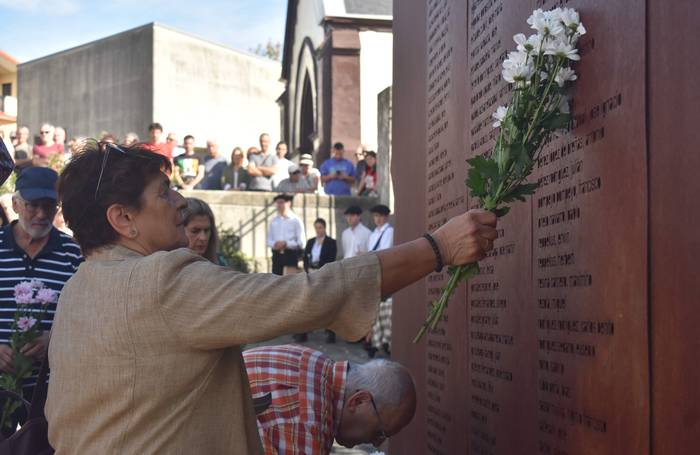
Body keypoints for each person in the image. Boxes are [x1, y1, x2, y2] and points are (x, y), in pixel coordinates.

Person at [46, 139, 497, 454]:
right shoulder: (162, 282)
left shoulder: (75, 291)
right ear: (124, 218)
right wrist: (437, 249)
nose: (181, 201)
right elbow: (308, 295)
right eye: (164, 193)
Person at [0, 167, 82, 432]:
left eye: (50, 206)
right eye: (33, 205)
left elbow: (89, 314)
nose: (41, 215)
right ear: (15, 204)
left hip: (50, 387)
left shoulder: (73, 253)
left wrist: (55, 340)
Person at [244, 345, 416, 454]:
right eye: (380, 433)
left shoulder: (316, 361)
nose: (377, 443)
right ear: (358, 401)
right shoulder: (310, 423)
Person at [303, 218, 338, 343]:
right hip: (311, 275)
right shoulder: (311, 241)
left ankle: (330, 332)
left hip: (324, 276)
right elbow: (305, 258)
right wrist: (308, 269)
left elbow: (331, 260)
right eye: (316, 228)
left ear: (325, 228)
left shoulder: (331, 242)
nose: (318, 230)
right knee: (307, 303)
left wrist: (319, 271)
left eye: (320, 227)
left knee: (327, 303)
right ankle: (303, 331)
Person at [367, 204, 395, 357]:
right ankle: (374, 340)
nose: (377, 219)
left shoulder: (389, 232)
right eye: (375, 216)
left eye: (379, 216)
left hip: (384, 271)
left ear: (385, 217)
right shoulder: (373, 234)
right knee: (375, 308)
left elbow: (384, 252)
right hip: (373, 271)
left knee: (383, 308)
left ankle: (381, 341)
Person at [267, 194, 305, 276]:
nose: (279, 205)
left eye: (281, 202)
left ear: (289, 203)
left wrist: (286, 243)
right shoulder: (273, 221)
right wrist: (275, 244)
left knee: (290, 282)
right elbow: (269, 240)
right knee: (276, 282)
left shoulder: (296, 220)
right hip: (277, 255)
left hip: (290, 255)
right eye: (277, 203)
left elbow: (301, 242)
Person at [183, 197, 228, 266]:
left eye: (206, 230)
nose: (203, 238)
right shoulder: (165, 265)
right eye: (195, 231)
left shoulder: (220, 262)